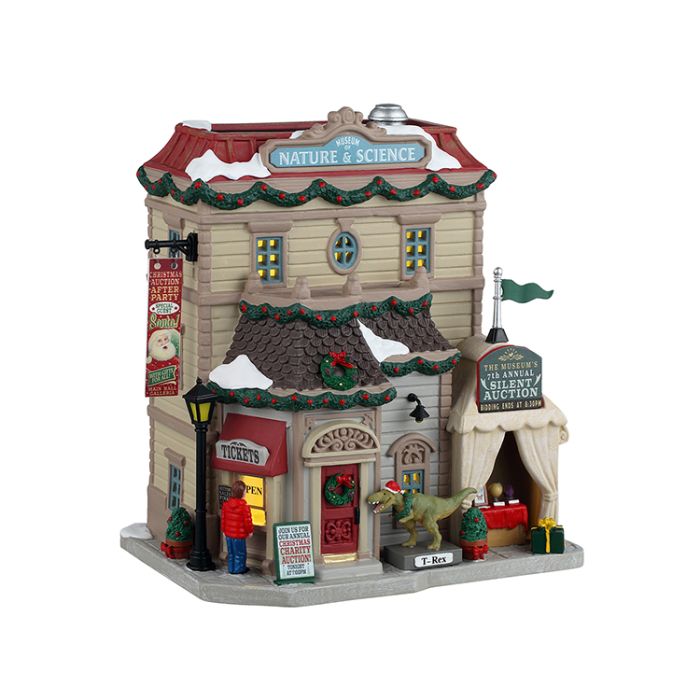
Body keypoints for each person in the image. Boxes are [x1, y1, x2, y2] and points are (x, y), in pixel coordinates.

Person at [221, 480, 253, 574]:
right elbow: (248, 522)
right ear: (242, 493)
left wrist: (224, 530)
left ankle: (231, 568)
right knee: (240, 553)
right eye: (245, 491)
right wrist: (250, 531)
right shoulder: (244, 507)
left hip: (228, 534)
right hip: (239, 536)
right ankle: (239, 569)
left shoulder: (226, 505)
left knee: (231, 553)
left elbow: (223, 519)